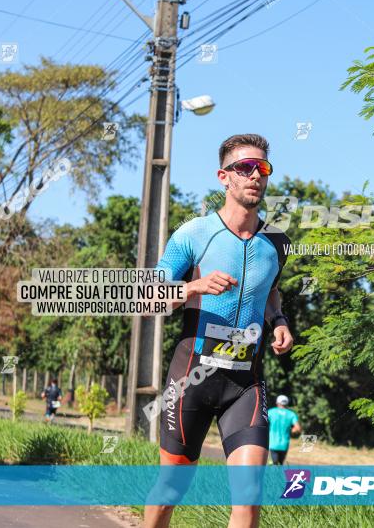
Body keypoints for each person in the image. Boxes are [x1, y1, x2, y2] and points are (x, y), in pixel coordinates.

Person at [145, 134, 293, 528]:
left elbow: (269, 292)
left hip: (244, 385)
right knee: (170, 492)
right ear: (223, 177)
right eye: (244, 167)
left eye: (262, 167)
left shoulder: (277, 243)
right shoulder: (193, 234)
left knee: (248, 498)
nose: (255, 175)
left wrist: (278, 321)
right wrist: (193, 287)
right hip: (192, 379)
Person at [267, 395, 301, 465]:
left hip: (273, 443)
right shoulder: (291, 414)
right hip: (284, 444)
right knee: (280, 464)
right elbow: (298, 428)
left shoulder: (270, 412)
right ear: (287, 403)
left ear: (277, 402)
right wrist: (290, 431)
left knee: (274, 463)